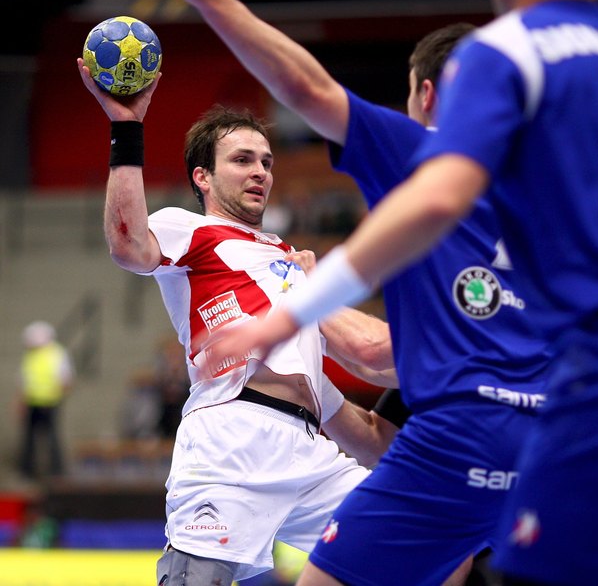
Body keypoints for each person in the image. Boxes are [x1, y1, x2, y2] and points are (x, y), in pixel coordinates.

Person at [193, 0, 598, 585]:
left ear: (428, 95)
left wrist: (294, 305)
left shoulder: (486, 80)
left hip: (483, 422)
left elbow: (313, 93)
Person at [179, 0, 552, 584]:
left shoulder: (428, 153)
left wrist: (211, 0)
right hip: (557, 439)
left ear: (425, 95)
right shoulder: (554, 184)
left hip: (464, 431)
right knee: (451, 555)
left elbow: (310, 89)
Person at [76, 56, 414, 582]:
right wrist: (126, 128)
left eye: (266, 162)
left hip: (311, 449)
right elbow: (127, 245)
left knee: (416, 543)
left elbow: (369, 376)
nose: (260, 171)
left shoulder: (291, 261)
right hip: (232, 438)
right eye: (242, 160)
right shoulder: (191, 228)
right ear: (203, 177)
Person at [17, 320, 73, 480]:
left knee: (52, 438)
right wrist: (21, 401)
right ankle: (27, 471)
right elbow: (24, 380)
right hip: (32, 402)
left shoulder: (57, 353)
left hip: (50, 403)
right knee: (29, 439)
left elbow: (66, 380)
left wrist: (56, 396)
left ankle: (57, 471)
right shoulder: (30, 356)